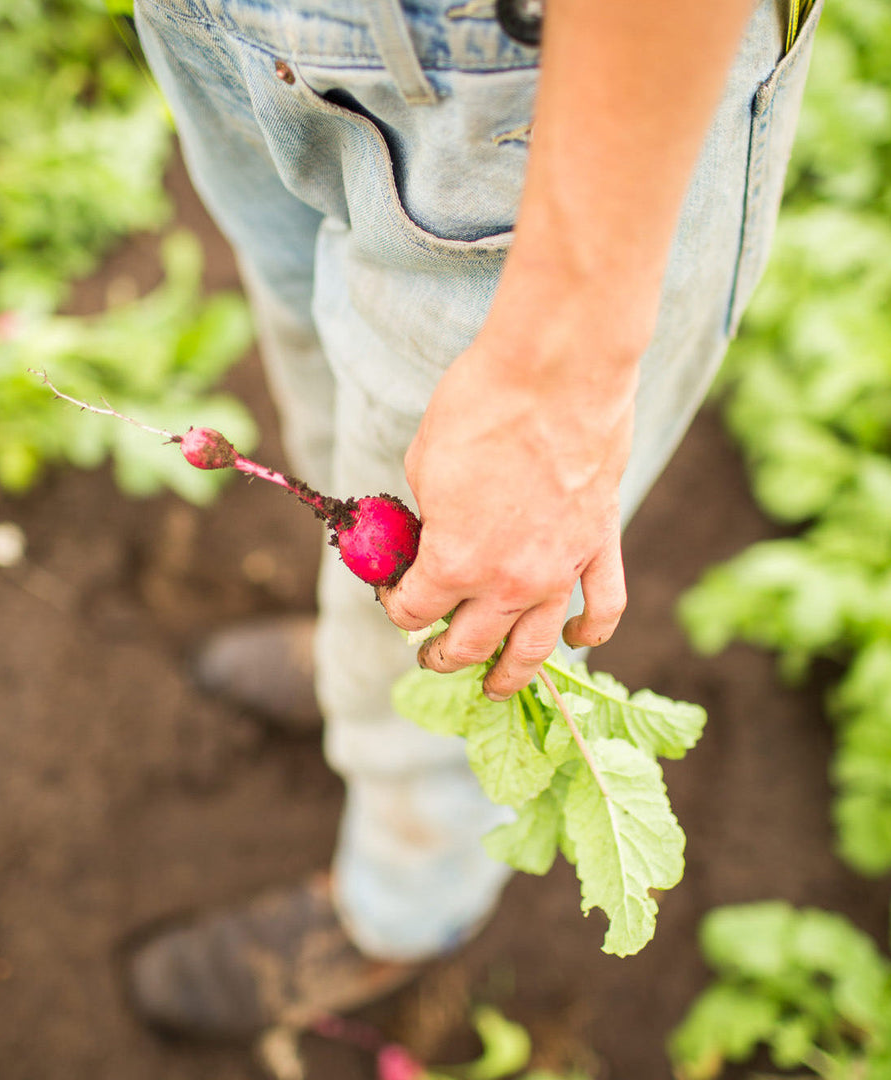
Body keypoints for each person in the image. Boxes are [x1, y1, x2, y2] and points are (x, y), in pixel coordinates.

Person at [126, 0, 821, 1038]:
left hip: (530, 104)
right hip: (243, 35)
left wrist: (565, 369)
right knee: (332, 413)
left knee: (467, 605)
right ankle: (352, 668)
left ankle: (403, 909)